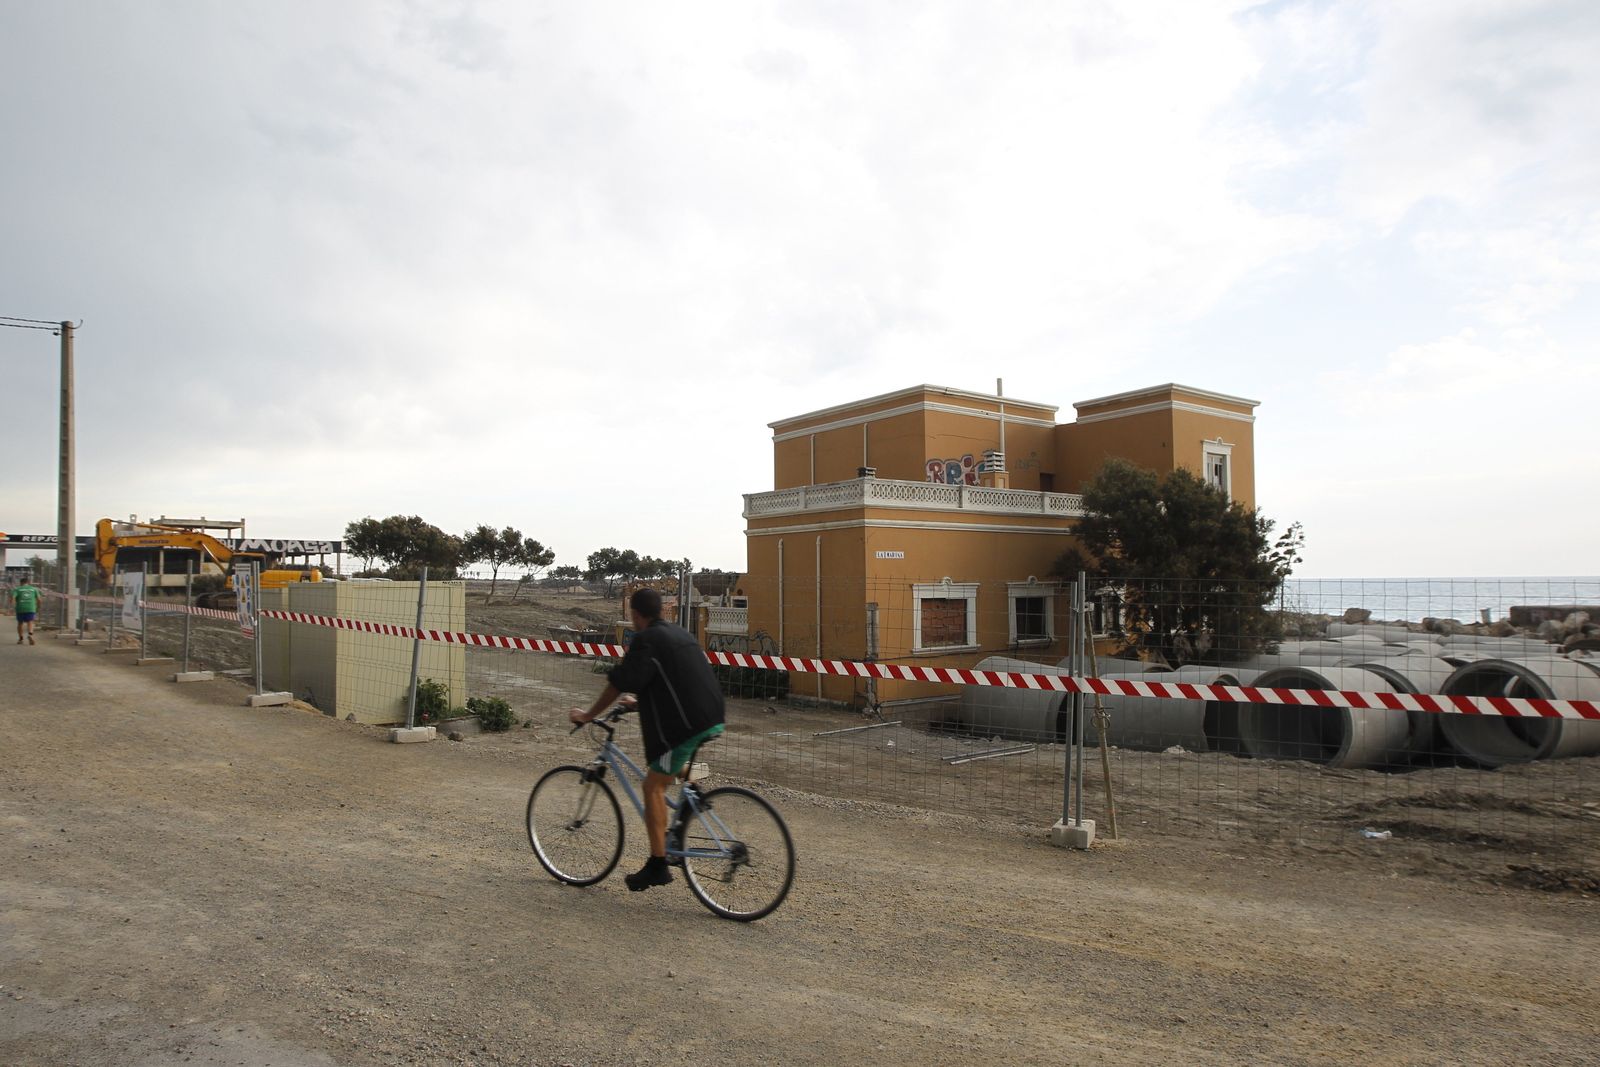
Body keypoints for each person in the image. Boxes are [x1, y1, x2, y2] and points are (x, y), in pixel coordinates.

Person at [570, 587, 725, 891]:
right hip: (711, 716)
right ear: (663, 611)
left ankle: (657, 865)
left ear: (636, 615)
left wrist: (588, 715)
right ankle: (692, 794)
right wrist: (638, 703)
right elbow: (674, 682)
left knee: (652, 783)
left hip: (687, 725)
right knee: (665, 764)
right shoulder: (678, 634)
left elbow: (618, 683)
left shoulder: (646, 639)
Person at [11, 577, 42, 645]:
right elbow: (39, 599)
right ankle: (30, 634)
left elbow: (13, 598)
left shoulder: (17, 589)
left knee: (20, 623)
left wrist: (13, 606)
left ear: (21, 583)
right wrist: (38, 607)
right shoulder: (34, 589)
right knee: (30, 622)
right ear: (28, 582)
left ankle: (21, 639)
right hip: (31, 608)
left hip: (20, 608)